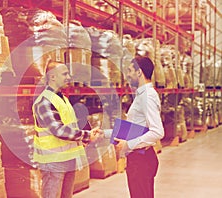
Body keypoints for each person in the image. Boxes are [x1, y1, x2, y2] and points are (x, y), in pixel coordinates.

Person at [32, 60, 102, 198]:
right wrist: (86, 135)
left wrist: (84, 137)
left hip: (68, 158)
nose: (69, 77)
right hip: (53, 161)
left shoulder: (62, 98)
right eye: (64, 74)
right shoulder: (45, 101)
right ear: (52, 77)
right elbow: (58, 130)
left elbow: (70, 125)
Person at [114, 56, 165, 198]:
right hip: (138, 157)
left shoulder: (147, 96)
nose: (128, 75)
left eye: (130, 71)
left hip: (141, 160)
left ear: (139, 72)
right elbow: (139, 125)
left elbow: (157, 131)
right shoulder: (142, 95)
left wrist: (128, 144)